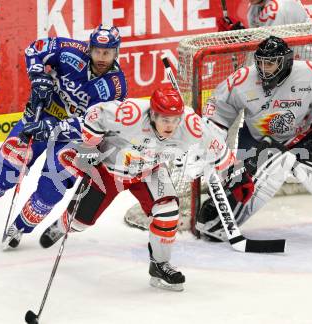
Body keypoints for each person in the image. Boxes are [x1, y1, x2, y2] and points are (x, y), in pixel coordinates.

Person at [30, 87, 252, 291]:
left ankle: (160, 265)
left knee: (168, 212)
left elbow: (219, 151)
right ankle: (64, 224)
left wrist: (238, 177)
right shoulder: (132, 114)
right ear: (153, 114)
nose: (170, 126)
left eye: (174, 120)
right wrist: (89, 145)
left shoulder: (190, 126)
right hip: (109, 170)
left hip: (149, 171)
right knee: (80, 223)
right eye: (165, 119)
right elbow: (95, 114)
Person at [0, 24, 128, 248]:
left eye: (107, 52)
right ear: (90, 48)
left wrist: (55, 130)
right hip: (42, 115)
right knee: (7, 171)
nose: (102, 57)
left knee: (52, 188)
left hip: (73, 137)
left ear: (116, 52)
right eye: (98, 51)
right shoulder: (69, 49)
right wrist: (38, 76)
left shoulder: (116, 88)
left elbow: (97, 125)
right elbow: (34, 49)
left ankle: (20, 228)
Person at [195, 36, 312, 241]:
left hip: (307, 137)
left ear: (286, 62)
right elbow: (219, 111)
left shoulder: (310, 74)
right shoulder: (242, 79)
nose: (264, 68)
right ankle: (219, 219)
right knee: (240, 185)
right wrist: (212, 138)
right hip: (259, 140)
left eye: (270, 63)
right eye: (261, 62)